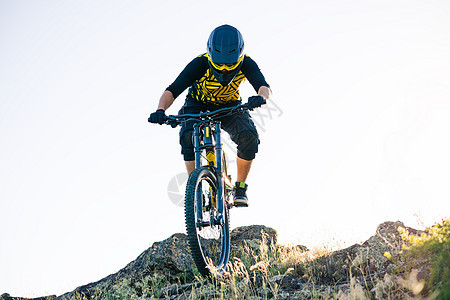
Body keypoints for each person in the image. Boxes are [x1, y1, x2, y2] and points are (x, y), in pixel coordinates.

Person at [148, 24, 271, 207]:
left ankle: (241, 188)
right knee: (187, 136)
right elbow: (172, 90)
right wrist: (160, 111)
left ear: (239, 57)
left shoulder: (247, 63)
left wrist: (260, 98)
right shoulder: (200, 63)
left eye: (229, 65)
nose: (223, 69)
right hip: (196, 105)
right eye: (218, 64)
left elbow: (264, 86)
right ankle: (194, 188)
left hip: (229, 106)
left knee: (248, 136)